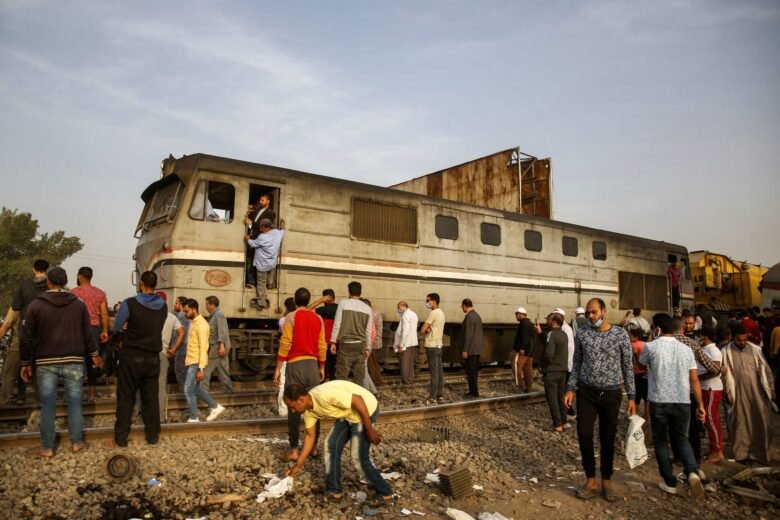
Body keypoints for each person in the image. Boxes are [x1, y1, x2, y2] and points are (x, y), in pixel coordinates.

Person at [20, 266, 102, 457]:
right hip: (74, 360)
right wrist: (95, 354)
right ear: (65, 282)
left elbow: (26, 337)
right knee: (75, 402)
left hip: (45, 361)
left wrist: (25, 362)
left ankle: (47, 447)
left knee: (47, 404)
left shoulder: (36, 305)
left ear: (48, 282)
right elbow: (88, 333)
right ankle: (77, 442)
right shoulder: (79, 305)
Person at [564, 298, 635, 503]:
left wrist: (632, 396)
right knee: (584, 434)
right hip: (587, 392)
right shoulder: (583, 334)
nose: (590, 316)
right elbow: (577, 362)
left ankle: (606, 481)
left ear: (604, 311)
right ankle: (590, 480)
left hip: (611, 394)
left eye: (594, 312)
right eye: (588, 313)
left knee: (607, 436)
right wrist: (570, 388)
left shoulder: (620, 334)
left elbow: (627, 366)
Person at [283, 381, 394, 505]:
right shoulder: (308, 410)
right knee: (330, 446)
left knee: (358, 456)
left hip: (365, 408)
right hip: (348, 413)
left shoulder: (324, 396)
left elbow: (358, 400)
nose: (292, 411)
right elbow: (310, 436)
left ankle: (385, 492)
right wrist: (298, 465)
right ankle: (335, 491)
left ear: (301, 400)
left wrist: (369, 429)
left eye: (292, 406)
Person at [639, 313, 705, 498]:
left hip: (659, 401)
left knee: (661, 441)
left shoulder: (651, 346)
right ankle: (692, 471)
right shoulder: (686, 349)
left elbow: (641, 363)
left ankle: (669, 482)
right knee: (682, 439)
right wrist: (700, 404)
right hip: (683, 401)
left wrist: (651, 341)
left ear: (657, 328)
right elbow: (694, 379)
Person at [110, 271, 168, 447]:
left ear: (141, 283)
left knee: (126, 397)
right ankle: (152, 436)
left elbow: (117, 326)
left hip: (131, 355)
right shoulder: (163, 306)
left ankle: (121, 438)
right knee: (151, 398)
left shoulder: (130, 303)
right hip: (152, 357)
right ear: (155, 284)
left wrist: (126, 328)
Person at [274, 287, 327, 462]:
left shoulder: (291, 317)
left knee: (293, 407)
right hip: (312, 365)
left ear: (295, 301)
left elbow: (286, 343)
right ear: (308, 300)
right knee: (314, 407)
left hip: (295, 365)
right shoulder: (318, 318)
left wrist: (278, 368)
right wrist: (322, 366)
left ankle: (294, 449)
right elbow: (322, 345)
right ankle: (313, 447)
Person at [722, 325, 775, 464]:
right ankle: (743, 455)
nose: (742, 342)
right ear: (733, 338)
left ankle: (761, 454)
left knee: (762, 422)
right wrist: (725, 391)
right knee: (740, 423)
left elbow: (766, 370)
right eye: (739, 340)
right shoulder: (725, 352)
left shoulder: (755, 350)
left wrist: (771, 388)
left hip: (758, 393)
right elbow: (723, 376)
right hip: (738, 394)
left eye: (745, 339)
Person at [0, 258, 49, 405]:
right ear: (47, 270)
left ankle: (5, 400)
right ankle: (43, 402)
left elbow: (15, 306)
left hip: (23, 334)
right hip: (43, 336)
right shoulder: (51, 286)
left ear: (33, 269)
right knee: (40, 372)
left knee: (10, 369)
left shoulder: (24, 284)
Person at [181, 299, 225, 423]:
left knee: (188, 389)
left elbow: (203, 347)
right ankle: (215, 406)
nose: (184, 314)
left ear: (194, 309)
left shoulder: (201, 325)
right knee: (195, 389)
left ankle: (193, 417)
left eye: (186, 311)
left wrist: (201, 368)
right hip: (192, 361)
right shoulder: (194, 322)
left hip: (196, 362)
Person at [70, 266, 109, 403]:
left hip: (77, 330)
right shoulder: (100, 293)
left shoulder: (73, 293)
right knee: (93, 361)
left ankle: (76, 393)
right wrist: (105, 331)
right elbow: (104, 313)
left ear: (80, 276)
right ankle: (91, 394)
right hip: (93, 330)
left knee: (77, 361)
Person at [330, 281, 372, 387]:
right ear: (360, 292)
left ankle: (342, 396)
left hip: (346, 345)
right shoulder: (367, 308)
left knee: (341, 376)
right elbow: (368, 331)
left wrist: (333, 341)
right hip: (360, 345)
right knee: (359, 377)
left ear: (349, 292)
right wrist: (367, 347)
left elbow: (337, 324)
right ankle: (358, 396)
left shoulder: (343, 303)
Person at [696, 326, 724, 464]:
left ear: (704, 337)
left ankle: (717, 451)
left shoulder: (713, 350)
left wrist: (698, 378)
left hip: (711, 387)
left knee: (711, 419)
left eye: (700, 336)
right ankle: (715, 448)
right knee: (708, 419)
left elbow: (716, 370)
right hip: (706, 387)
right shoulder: (706, 349)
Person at [155, 292, 184, 422]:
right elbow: (181, 332)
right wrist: (173, 348)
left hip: (147, 352)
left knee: (143, 383)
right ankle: (160, 416)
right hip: (163, 353)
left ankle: (136, 413)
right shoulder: (171, 316)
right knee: (161, 385)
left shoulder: (148, 314)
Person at [245, 218, 284, 310]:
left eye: (261, 227)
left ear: (266, 227)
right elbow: (283, 231)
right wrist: (282, 226)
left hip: (262, 264)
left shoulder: (262, 237)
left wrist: (247, 239)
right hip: (272, 263)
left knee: (261, 284)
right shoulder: (277, 233)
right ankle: (269, 284)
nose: (260, 229)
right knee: (269, 276)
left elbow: (253, 244)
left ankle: (261, 303)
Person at [244, 193, 277, 289]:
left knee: (258, 261)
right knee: (250, 259)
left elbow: (264, 225)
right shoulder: (257, 211)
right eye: (260, 200)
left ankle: (261, 283)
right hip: (253, 237)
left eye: (262, 200)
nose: (260, 201)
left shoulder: (271, 213)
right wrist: (248, 215)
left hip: (261, 239)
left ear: (268, 201)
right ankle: (251, 281)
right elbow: (253, 225)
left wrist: (251, 223)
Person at [542, 314, 569, 432]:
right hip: (563, 370)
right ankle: (564, 421)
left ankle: (557, 424)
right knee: (561, 397)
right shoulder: (564, 334)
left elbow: (549, 353)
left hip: (552, 370)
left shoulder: (551, 334)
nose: (547, 322)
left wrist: (544, 364)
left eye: (549, 320)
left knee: (552, 398)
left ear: (553, 322)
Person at [202, 296, 234, 394]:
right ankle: (228, 392)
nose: (206, 307)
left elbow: (222, 330)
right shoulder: (214, 315)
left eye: (207, 305)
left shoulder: (218, 315)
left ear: (212, 305)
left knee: (205, 370)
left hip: (217, 347)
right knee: (222, 370)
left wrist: (221, 345)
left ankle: (203, 394)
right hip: (219, 346)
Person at [552, 307, 576, 420]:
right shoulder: (561, 328)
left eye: (555, 316)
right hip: (563, 364)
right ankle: (567, 411)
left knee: (564, 391)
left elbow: (568, 349)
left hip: (565, 365)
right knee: (562, 390)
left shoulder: (566, 329)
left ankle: (569, 412)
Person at [421, 293, 446, 404]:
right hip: (439, 344)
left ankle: (432, 396)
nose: (427, 302)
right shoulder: (442, 313)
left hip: (431, 345)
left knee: (434, 372)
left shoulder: (433, 313)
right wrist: (429, 329)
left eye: (428, 300)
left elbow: (423, 329)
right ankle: (440, 394)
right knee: (439, 371)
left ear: (434, 301)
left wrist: (427, 329)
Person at [310, 289, 337, 381]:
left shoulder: (322, 310)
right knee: (333, 370)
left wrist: (320, 300)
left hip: (324, 344)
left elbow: (306, 310)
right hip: (336, 344)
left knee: (323, 370)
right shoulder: (340, 308)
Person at [460, 299, 483, 398]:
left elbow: (468, 335)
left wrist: (465, 350)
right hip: (476, 349)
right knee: (474, 371)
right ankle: (474, 391)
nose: (462, 308)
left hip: (471, 349)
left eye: (462, 306)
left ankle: (473, 392)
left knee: (471, 372)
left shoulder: (469, 317)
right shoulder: (477, 315)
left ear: (464, 306)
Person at [393, 301, 418, 385]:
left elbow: (405, 331)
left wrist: (401, 345)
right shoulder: (414, 314)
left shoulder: (405, 315)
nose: (398, 309)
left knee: (404, 362)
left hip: (406, 343)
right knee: (410, 362)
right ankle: (410, 378)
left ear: (403, 306)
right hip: (412, 341)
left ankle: (405, 380)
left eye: (399, 307)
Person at [512, 307, 536, 392]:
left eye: (517, 314)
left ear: (521, 314)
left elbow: (524, 336)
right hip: (529, 351)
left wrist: (522, 348)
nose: (516, 316)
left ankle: (520, 385)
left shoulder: (523, 323)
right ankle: (528, 387)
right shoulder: (529, 323)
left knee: (515, 364)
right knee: (527, 368)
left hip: (523, 350)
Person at [628, 326, 649, 421]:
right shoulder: (646, 344)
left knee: (636, 396)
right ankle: (646, 416)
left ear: (635, 337)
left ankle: (634, 415)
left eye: (630, 336)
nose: (629, 338)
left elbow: (634, 358)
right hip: (646, 373)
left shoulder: (633, 345)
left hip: (637, 373)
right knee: (646, 397)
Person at [169, 295, 190, 389]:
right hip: (183, 349)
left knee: (181, 373)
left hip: (181, 350)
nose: (174, 305)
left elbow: (180, 335)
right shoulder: (185, 317)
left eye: (176, 303)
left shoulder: (181, 318)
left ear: (181, 305)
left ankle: (186, 394)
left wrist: (173, 347)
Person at [364, 298, 384, 387]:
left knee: (371, 364)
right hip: (377, 342)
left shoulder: (371, 314)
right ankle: (376, 381)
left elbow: (370, 331)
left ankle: (375, 382)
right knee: (374, 363)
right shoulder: (375, 312)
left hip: (373, 343)